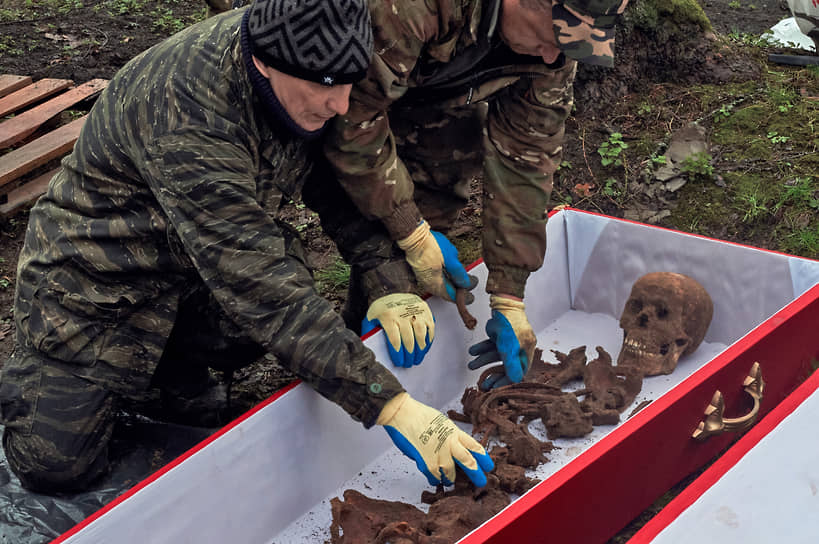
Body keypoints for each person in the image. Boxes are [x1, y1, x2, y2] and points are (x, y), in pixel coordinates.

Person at [0, 0, 491, 495]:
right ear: (264, 63)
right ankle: (58, 371)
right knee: (54, 465)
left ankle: (170, 370)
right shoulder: (187, 109)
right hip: (95, 287)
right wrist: (389, 404)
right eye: (327, 87)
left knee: (258, 310)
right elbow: (255, 280)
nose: (341, 105)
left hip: (192, 271)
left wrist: (384, 273)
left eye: (350, 83)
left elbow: (333, 177)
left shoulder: (309, 66)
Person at [324, 0, 630, 390]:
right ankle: (359, 333)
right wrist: (408, 230)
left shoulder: (553, 51)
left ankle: (389, 297)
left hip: (429, 93)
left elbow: (528, 156)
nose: (555, 54)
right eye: (552, 35)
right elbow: (350, 120)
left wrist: (509, 294)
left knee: (451, 155)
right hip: (334, 90)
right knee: (386, 234)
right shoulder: (412, 7)